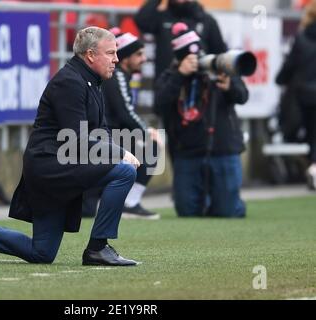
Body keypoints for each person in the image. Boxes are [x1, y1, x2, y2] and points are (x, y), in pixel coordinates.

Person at [0, 27, 142, 266]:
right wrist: (120, 153)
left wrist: (116, 149)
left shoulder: (92, 81)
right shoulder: (70, 82)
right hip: (51, 166)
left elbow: (100, 132)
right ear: (90, 55)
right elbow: (77, 139)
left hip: (62, 164)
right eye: (111, 53)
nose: (116, 59)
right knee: (124, 172)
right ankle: (98, 248)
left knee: (42, 253)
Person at [154, 21, 249, 218]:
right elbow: (159, 105)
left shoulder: (220, 67)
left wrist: (230, 86)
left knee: (226, 213)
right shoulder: (170, 75)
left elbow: (242, 96)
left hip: (223, 148)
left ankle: (233, 202)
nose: (196, 60)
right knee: (187, 211)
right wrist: (180, 75)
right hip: (188, 151)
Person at [82, 28, 162, 220]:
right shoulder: (116, 75)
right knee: (150, 146)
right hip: (103, 138)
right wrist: (146, 131)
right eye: (139, 54)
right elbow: (124, 113)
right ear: (125, 57)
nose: (143, 59)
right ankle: (129, 203)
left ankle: (122, 201)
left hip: (103, 137)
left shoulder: (119, 76)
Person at [276, 0, 316, 191]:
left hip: (306, 96)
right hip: (308, 94)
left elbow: (289, 67)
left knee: (311, 135)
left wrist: (280, 79)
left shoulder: (301, 38)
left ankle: (314, 168)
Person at [134, 0, 226, 80]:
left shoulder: (206, 20)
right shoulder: (162, 16)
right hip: (166, 83)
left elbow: (219, 53)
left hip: (199, 84)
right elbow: (141, 21)